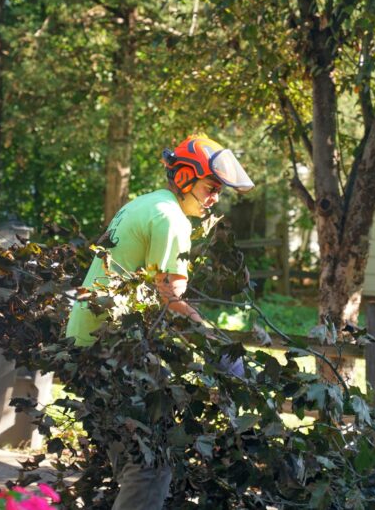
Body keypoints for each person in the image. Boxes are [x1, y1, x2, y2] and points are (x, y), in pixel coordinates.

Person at [65, 134, 254, 510]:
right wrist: (217, 345)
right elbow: (171, 299)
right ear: (185, 177)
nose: (215, 197)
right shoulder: (170, 219)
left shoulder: (146, 203)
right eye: (210, 187)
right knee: (150, 466)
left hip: (93, 348)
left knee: (138, 464)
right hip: (110, 355)